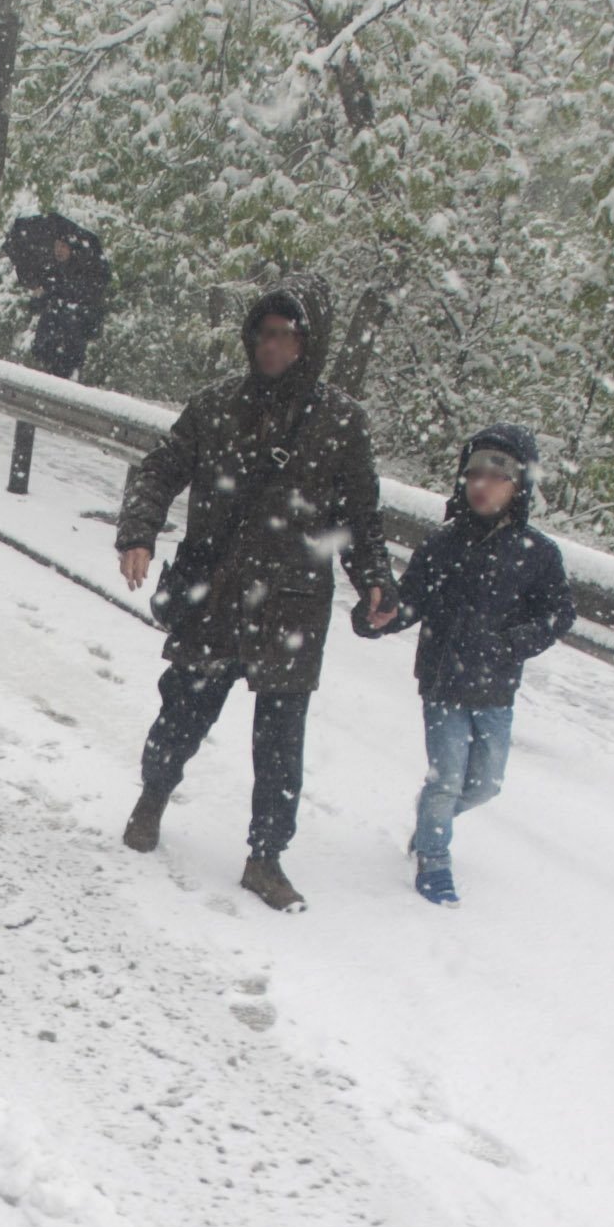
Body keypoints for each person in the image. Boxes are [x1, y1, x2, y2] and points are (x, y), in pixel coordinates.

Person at [112, 292, 389, 913]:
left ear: (306, 343)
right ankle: (152, 799)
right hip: (215, 591)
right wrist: (137, 532)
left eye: (287, 334)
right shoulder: (217, 406)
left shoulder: (340, 421)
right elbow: (160, 470)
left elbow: (361, 516)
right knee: (181, 713)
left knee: (281, 744)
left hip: (293, 604)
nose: (273, 344)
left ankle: (266, 857)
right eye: (264, 332)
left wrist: (375, 580)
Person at [362, 424, 574, 906]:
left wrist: (513, 643)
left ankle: (431, 814)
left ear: (518, 486)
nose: (481, 485)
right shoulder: (443, 545)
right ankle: (433, 856)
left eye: (496, 477)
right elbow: (411, 602)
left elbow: (559, 614)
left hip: (496, 688)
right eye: (473, 475)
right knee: (447, 779)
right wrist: (382, 617)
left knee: (484, 786)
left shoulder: (537, 554)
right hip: (441, 680)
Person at [5, 210, 109, 379]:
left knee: (64, 382)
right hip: (50, 341)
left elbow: (76, 302)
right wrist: (38, 295)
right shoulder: (50, 272)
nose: (58, 250)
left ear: (71, 248)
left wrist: (49, 295)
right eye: (56, 246)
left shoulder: (81, 275)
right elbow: (38, 307)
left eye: (63, 246)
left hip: (70, 343)